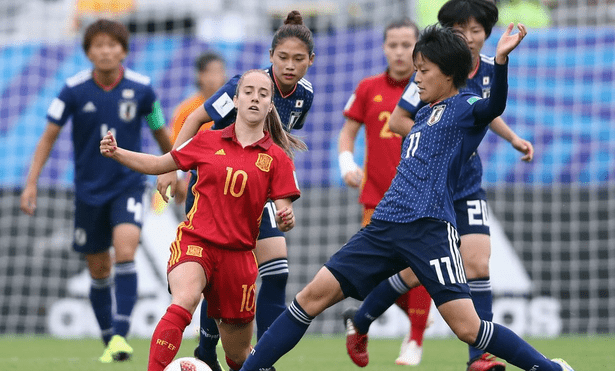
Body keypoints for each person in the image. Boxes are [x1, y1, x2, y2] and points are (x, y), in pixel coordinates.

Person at [239, 23, 574, 371]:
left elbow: (493, 107)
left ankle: (550, 368)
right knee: (309, 297)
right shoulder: (424, 112)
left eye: (424, 71)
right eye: (417, 70)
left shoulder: (466, 106)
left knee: (467, 327)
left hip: (429, 231)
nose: (417, 78)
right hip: (383, 226)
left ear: (448, 73)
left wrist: (501, 61)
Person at [343, 1, 536, 370]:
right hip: (432, 189)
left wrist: (512, 138)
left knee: (478, 262)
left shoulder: (482, 72)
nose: (470, 37)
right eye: (461, 30)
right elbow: (400, 120)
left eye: (476, 30)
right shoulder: (432, 74)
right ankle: (363, 317)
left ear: (486, 34)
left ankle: (479, 358)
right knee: (415, 272)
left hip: (468, 186)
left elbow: (483, 111)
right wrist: (437, 145)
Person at [99, 69, 305, 371]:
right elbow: (159, 163)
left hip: (239, 258)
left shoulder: (277, 158)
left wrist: (287, 216)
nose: (255, 98)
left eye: (263, 94)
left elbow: (284, 206)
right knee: (185, 300)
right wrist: (117, 153)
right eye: (248, 91)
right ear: (235, 99)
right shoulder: (206, 140)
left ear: (271, 106)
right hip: (197, 242)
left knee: (238, 356)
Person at [155, 10, 315, 371]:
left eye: (298, 59)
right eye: (283, 58)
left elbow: (276, 138)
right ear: (270, 56)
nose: (290, 66)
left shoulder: (304, 96)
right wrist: (171, 167)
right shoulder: (244, 85)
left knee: (276, 270)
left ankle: (262, 358)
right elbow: (198, 119)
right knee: (215, 276)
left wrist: (281, 187)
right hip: (215, 190)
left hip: (255, 192)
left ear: (310, 62)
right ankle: (207, 351)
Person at [19, 19, 173, 363]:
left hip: (129, 185)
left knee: (126, 250)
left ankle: (120, 333)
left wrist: (174, 169)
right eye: (98, 45)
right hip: (88, 192)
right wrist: (31, 182)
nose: (105, 51)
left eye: (112, 45)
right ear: (88, 52)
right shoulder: (73, 90)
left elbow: (161, 132)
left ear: (124, 49)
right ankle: (110, 340)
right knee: (99, 269)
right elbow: (48, 137)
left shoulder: (143, 89)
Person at [337, 18, 432, 366]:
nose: (399, 51)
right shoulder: (367, 87)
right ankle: (420, 317)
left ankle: (415, 339)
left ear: (418, 48)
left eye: (406, 45)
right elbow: (347, 132)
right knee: (378, 271)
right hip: (376, 197)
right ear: (383, 48)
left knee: (416, 267)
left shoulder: (429, 86)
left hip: (419, 197)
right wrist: (346, 163)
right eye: (393, 44)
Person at [166, 51, 227, 207]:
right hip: (192, 180)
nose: (214, 77)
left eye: (219, 71)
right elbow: (175, 147)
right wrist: (178, 179)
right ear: (199, 75)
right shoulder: (186, 110)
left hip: (225, 180)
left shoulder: (234, 107)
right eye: (209, 72)